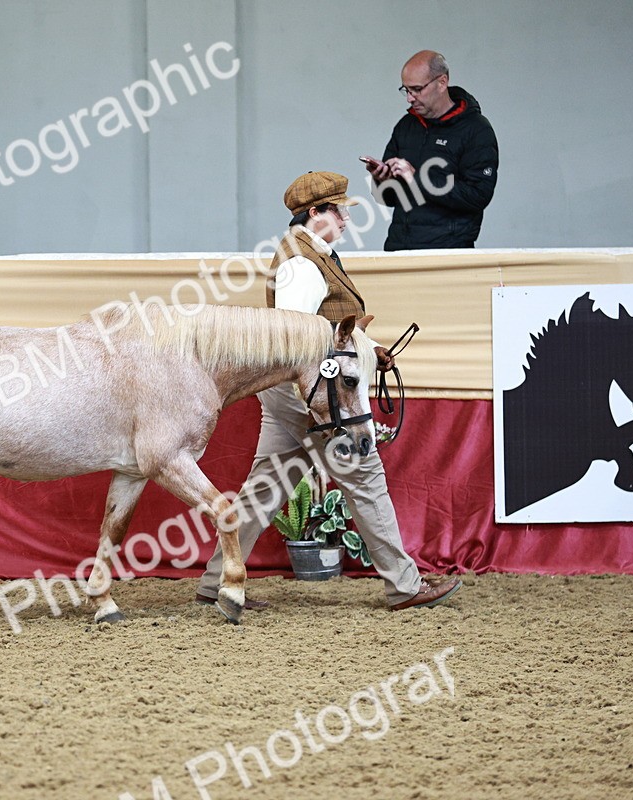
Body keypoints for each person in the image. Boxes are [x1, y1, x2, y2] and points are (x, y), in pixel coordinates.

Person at [195, 171, 462, 612]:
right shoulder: (302, 265)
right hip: (311, 395)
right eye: (338, 211)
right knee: (364, 474)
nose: (345, 219)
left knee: (266, 487)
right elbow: (299, 340)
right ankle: (405, 585)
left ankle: (217, 581)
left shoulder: (312, 254)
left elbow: (330, 332)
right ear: (315, 213)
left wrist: (370, 348)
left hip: (289, 391)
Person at [367, 50, 498, 250]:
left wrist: (417, 179)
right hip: (398, 249)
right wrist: (381, 179)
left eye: (417, 89)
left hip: (447, 254)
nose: (410, 98)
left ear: (442, 82)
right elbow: (387, 199)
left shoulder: (476, 130)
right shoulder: (406, 126)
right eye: (406, 90)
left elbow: (477, 196)